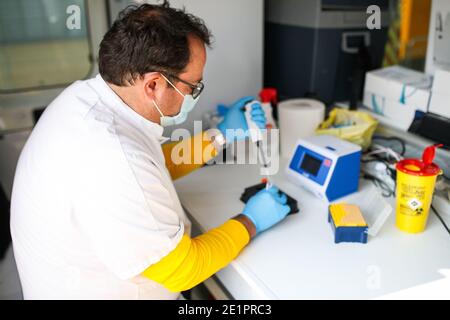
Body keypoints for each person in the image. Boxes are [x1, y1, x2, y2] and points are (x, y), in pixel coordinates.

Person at [10, 1, 290, 299]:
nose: (193, 94)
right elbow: (184, 269)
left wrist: (220, 135)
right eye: (193, 87)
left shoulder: (87, 100)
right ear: (154, 85)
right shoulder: (110, 155)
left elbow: (151, 165)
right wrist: (251, 221)